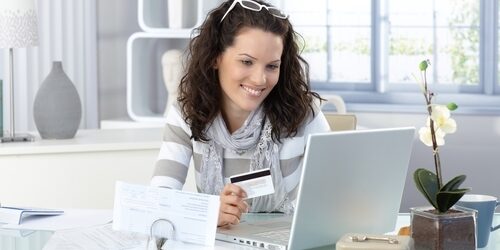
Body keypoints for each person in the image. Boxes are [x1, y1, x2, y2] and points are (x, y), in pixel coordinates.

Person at [151, 0, 330, 227]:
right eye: (246, 61)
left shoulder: (304, 113)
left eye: (272, 66)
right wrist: (205, 214)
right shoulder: (187, 112)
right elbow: (159, 199)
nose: (259, 79)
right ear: (216, 57)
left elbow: (335, 194)